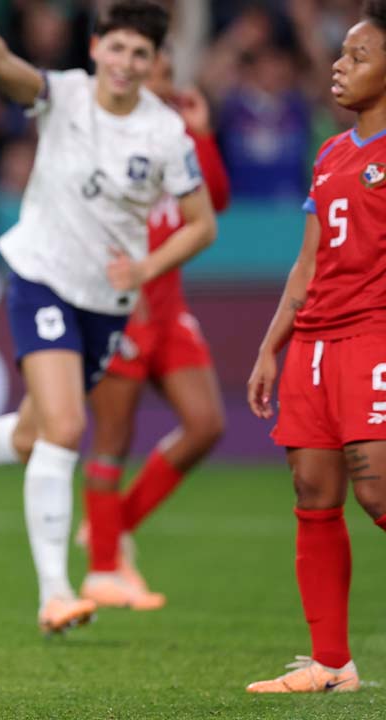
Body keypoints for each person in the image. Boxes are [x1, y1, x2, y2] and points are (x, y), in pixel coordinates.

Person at [0, 0, 216, 634]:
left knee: (32, 436)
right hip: (41, 277)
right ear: (96, 49)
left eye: (141, 54)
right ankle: (55, 593)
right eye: (117, 48)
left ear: (153, 62)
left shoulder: (165, 132)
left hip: (107, 303)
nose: (127, 64)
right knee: (66, 425)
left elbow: (202, 226)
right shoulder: (65, 95)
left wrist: (144, 269)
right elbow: (0, 64)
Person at [245, 1, 386, 694]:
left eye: (358, 57)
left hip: (375, 336)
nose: (339, 64)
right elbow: (307, 265)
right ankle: (332, 663)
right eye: (341, 55)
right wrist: (273, 346)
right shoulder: (331, 153)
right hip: (315, 344)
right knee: (313, 490)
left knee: (378, 488)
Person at [76, 52, 232, 609]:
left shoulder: (175, 140)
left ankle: (110, 528)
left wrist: (203, 134)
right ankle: (102, 570)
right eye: (159, 70)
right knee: (112, 440)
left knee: (207, 424)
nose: (167, 79)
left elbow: (214, 203)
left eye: (166, 68)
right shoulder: (111, 136)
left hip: (170, 309)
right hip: (121, 304)